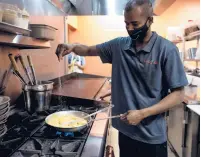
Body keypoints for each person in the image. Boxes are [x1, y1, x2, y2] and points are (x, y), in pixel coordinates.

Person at [55, 0, 188, 156]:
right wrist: (72, 46)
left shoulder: (166, 50)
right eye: (126, 24)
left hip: (151, 137)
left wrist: (142, 113)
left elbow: (179, 94)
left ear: (150, 20)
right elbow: (89, 50)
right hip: (125, 132)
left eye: (135, 24)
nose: (130, 29)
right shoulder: (119, 46)